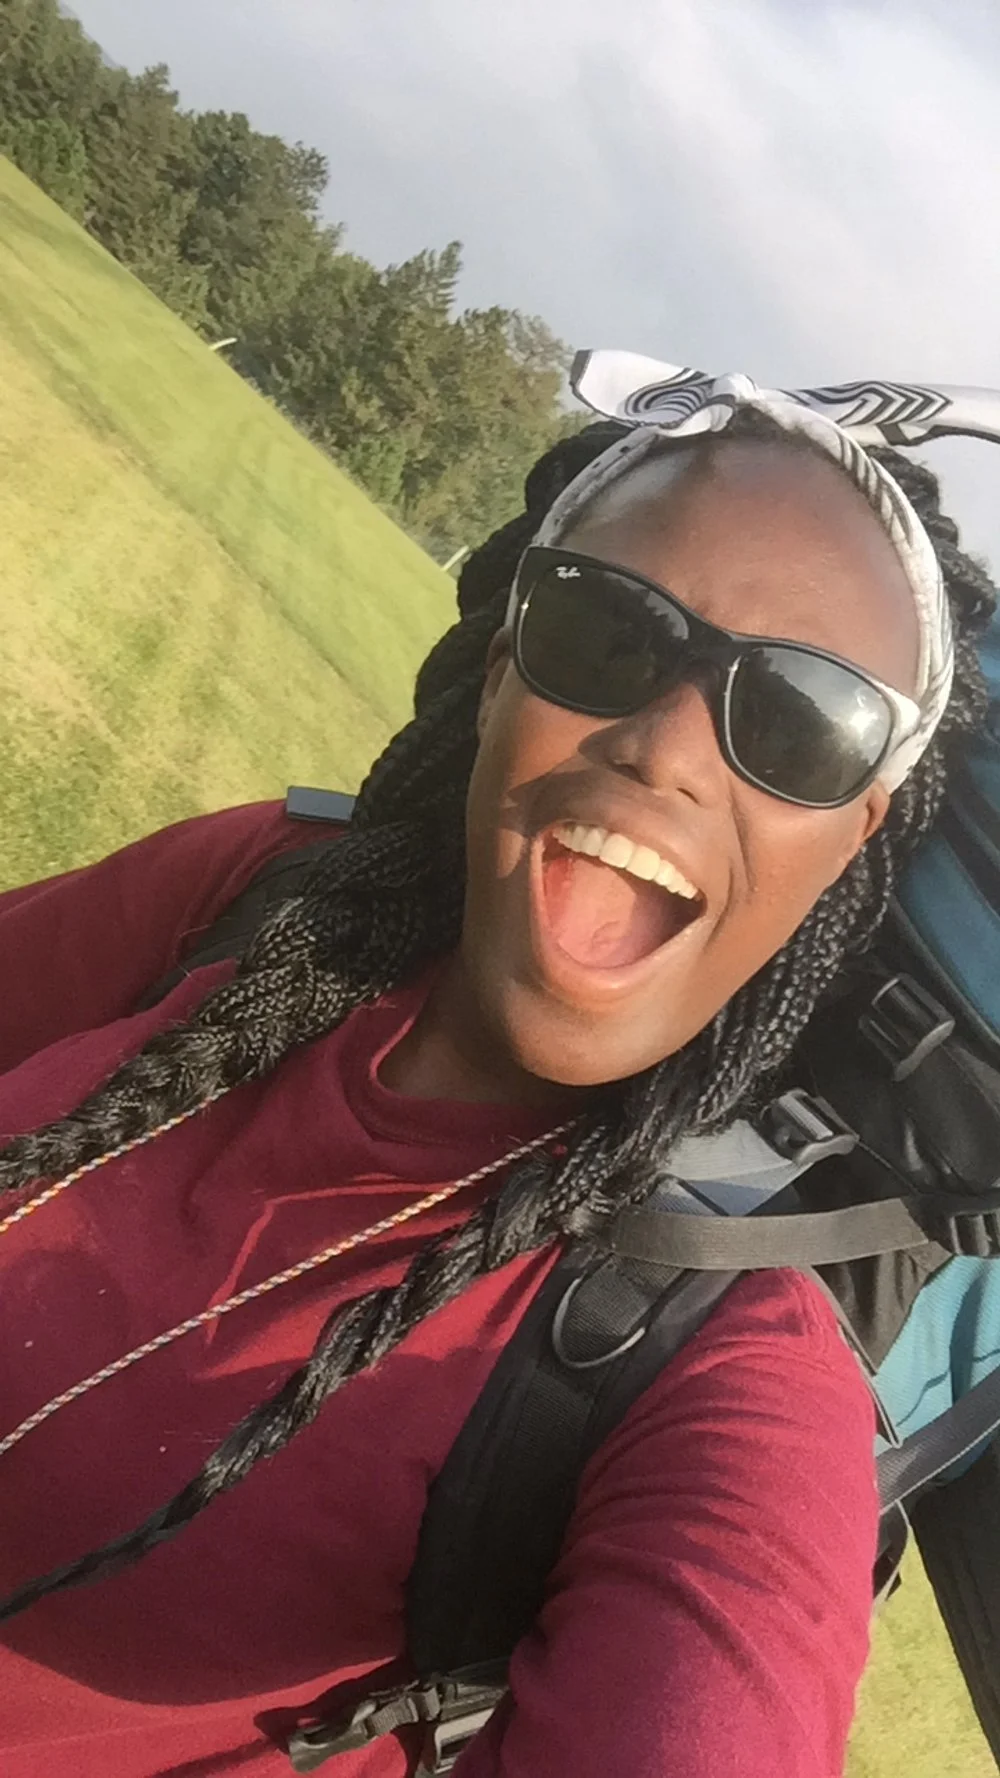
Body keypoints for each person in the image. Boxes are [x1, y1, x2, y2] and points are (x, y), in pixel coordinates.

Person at [0, 354, 995, 1778]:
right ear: (501, 661)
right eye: (607, 632)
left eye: (799, 722)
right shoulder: (258, 895)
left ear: (858, 833)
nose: (664, 748)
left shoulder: (731, 1374)